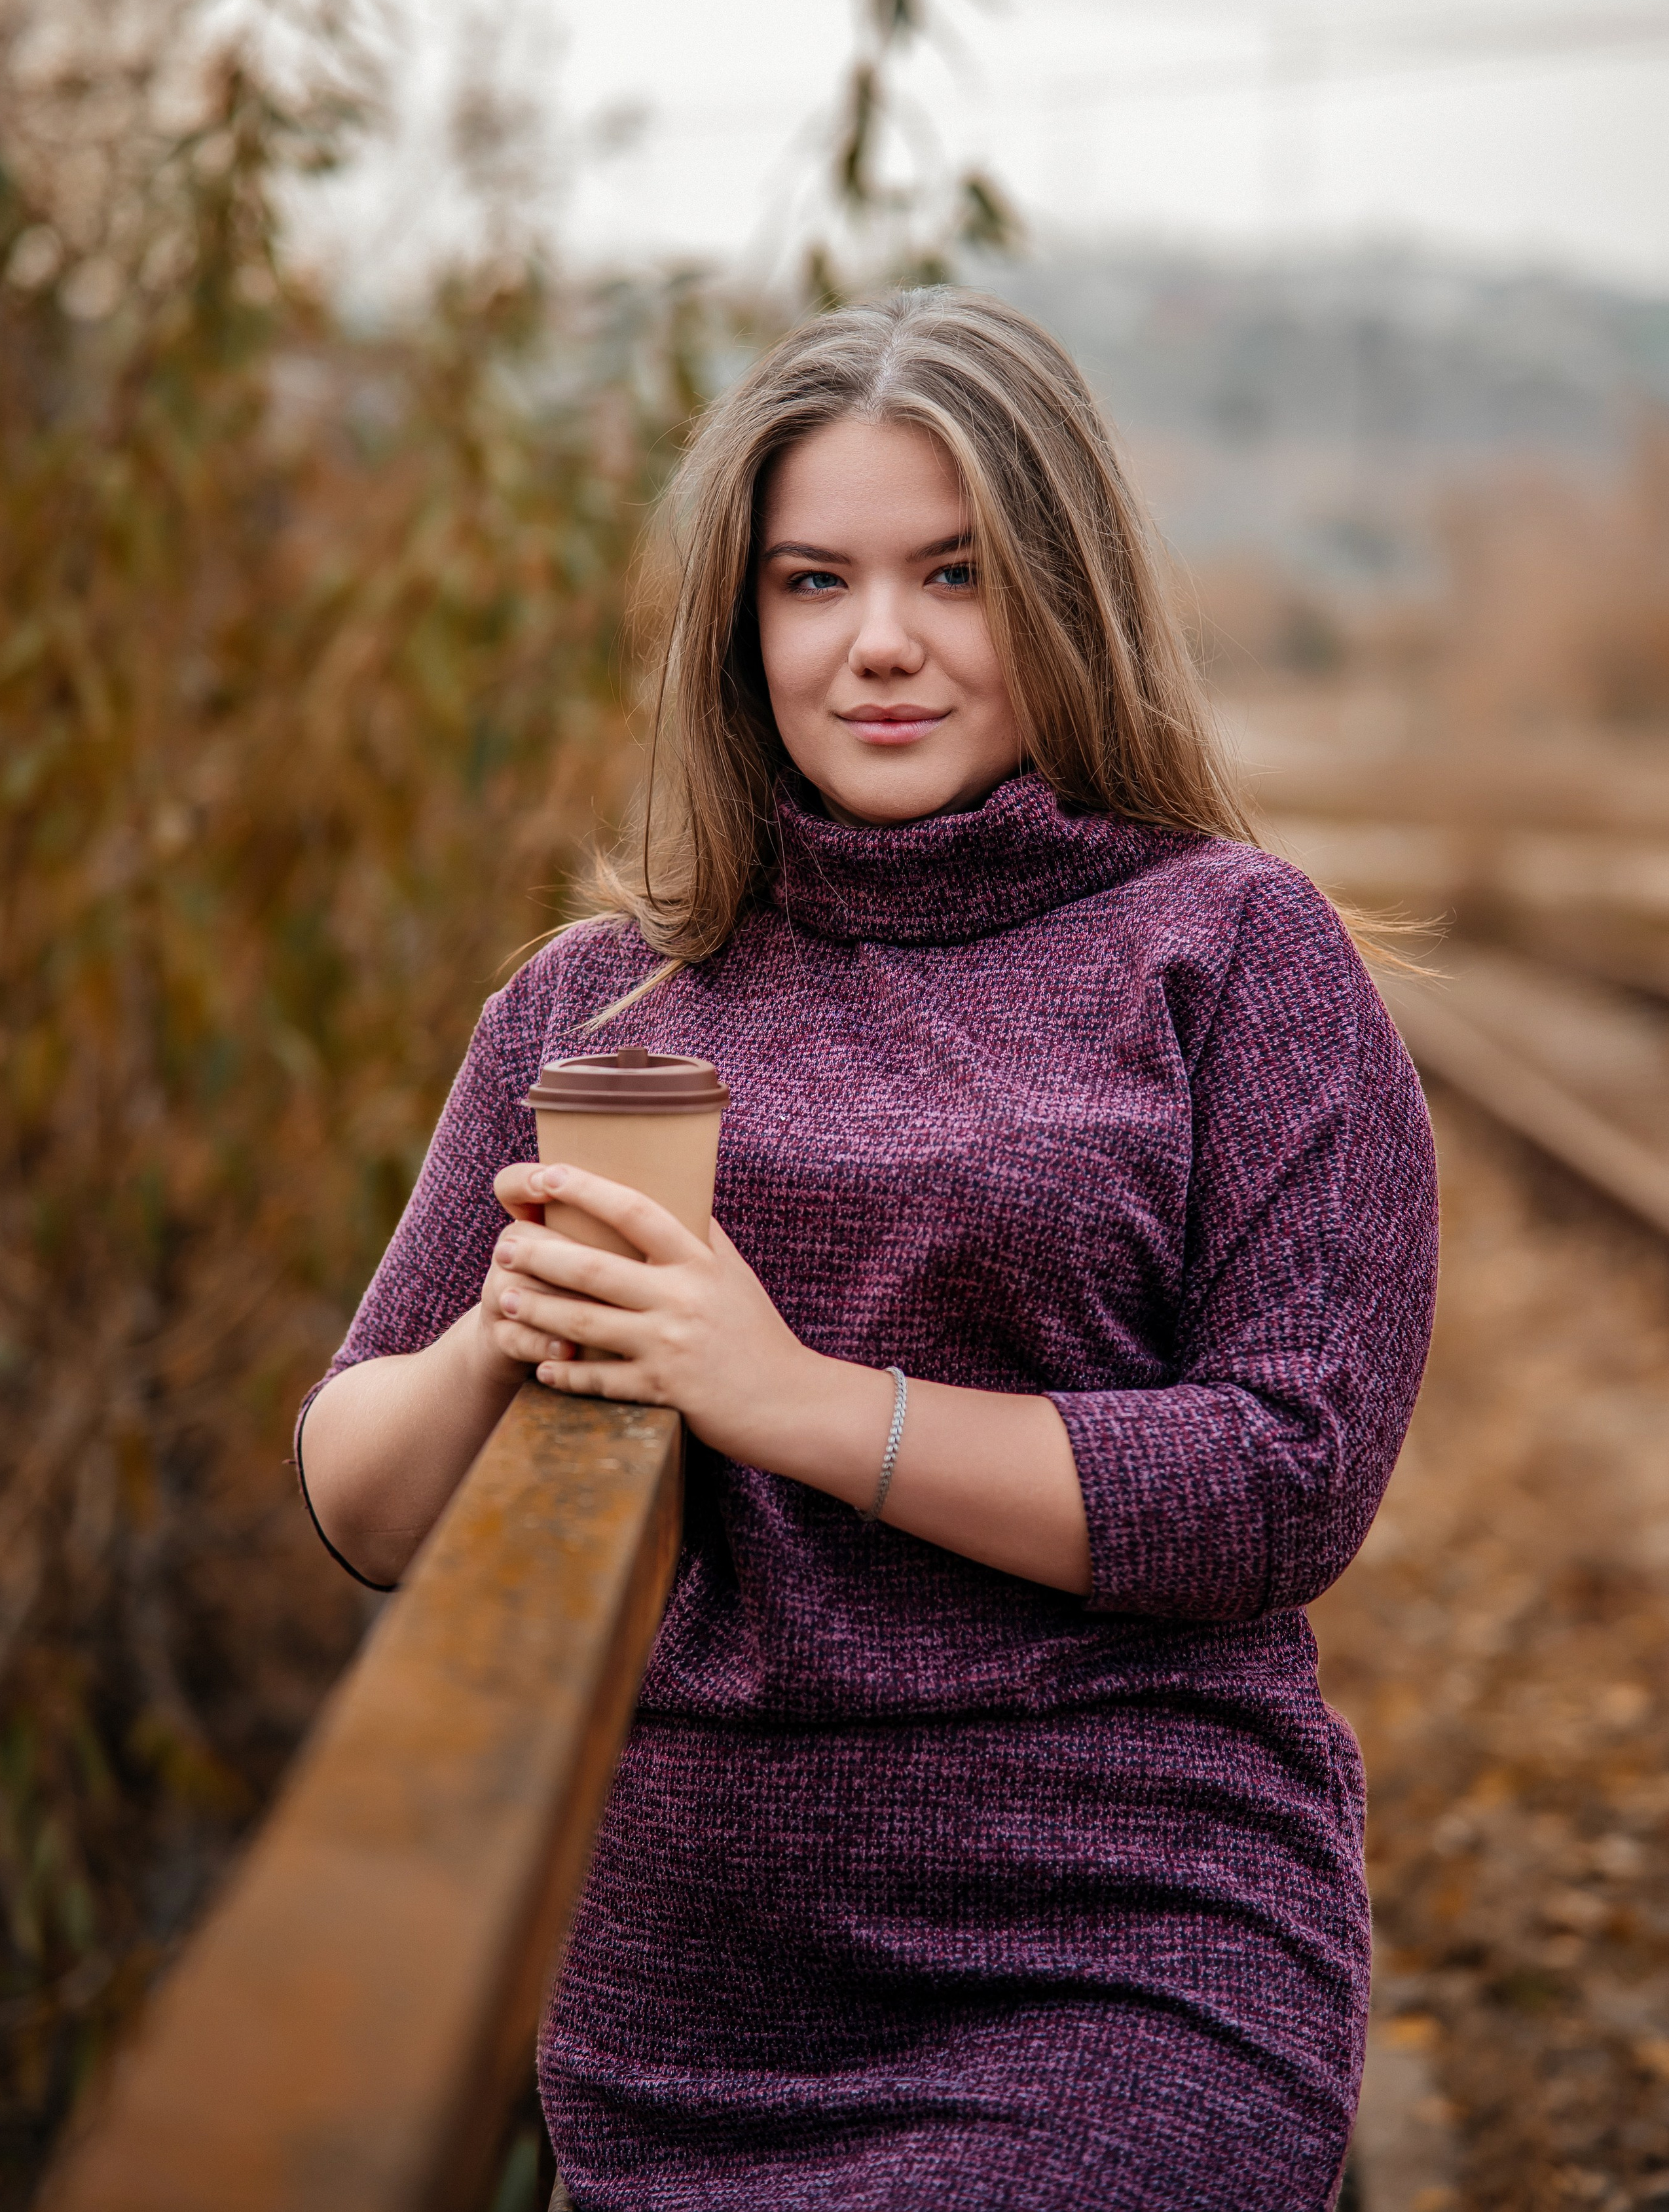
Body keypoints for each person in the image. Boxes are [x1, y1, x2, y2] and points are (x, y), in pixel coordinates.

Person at [297, 287, 1438, 2211]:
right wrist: (501, 1325)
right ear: (742, 628)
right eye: (814, 581)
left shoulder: (1236, 950)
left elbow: (1286, 1476)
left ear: (1064, 597)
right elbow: (360, 1497)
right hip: (693, 1987)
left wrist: (797, 1401)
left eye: (956, 576)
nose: (881, 644)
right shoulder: (602, 1000)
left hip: (1125, 1941)